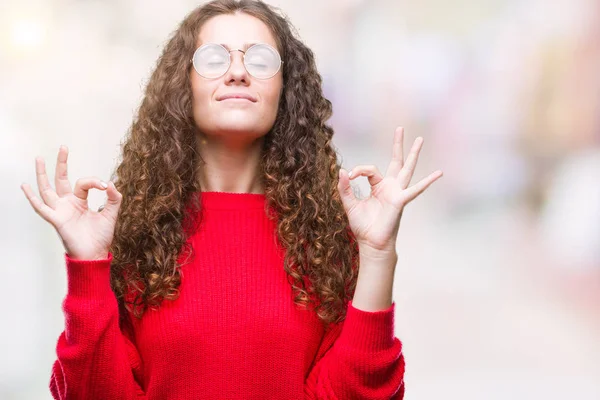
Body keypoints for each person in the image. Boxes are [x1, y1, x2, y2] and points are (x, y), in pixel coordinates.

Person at [21, 0, 442, 398]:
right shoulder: (134, 234)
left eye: (259, 60)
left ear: (285, 88)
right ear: (182, 85)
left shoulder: (328, 237)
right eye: (214, 59)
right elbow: (92, 393)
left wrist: (378, 253)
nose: (238, 72)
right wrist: (88, 266)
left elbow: (357, 393)